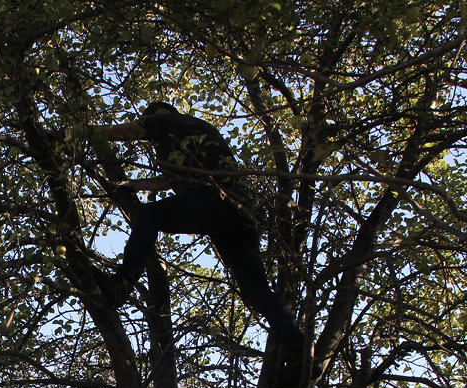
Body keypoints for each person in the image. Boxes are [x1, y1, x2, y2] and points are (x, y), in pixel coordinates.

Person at [84, 102, 304, 372]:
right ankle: (298, 351)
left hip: (219, 201)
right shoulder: (183, 145)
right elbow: (165, 182)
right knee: (258, 293)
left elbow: (130, 130)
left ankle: (123, 281)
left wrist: (83, 132)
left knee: (149, 215)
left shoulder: (171, 122)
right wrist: (128, 186)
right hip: (239, 216)